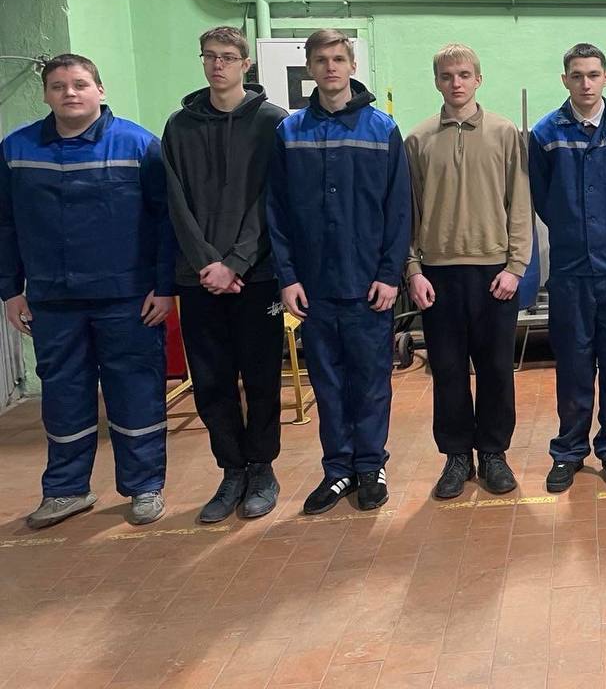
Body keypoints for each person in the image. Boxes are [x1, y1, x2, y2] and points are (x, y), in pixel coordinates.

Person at [0, 54, 175, 528]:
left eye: (79, 84)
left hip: (128, 298)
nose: (70, 93)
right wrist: (10, 290)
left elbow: (166, 222)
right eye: (58, 86)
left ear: (100, 89)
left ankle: (144, 486)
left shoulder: (138, 145)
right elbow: (6, 224)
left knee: (135, 390)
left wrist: (164, 287)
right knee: (63, 395)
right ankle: (66, 490)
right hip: (53, 301)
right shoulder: (17, 149)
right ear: (45, 95)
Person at [266, 29, 410, 514]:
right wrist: (288, 277)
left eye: (338, 59)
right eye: (321, 60)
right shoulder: (289, 132)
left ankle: (370, 466)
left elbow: (399, 209)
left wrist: (389, 274)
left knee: (371, 380)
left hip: (369, 284)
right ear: (309, 68)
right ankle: (338, 471)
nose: (330, 67)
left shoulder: (382, 129)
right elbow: (276, 211)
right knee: (326, 382)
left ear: (352, 65)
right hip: (314, 286)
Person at [162, 26, 288, 523]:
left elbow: (272, 200)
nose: (218, 65)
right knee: (211, 381)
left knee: (261, 378)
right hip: (199, 279)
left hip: (256, 277)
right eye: (210, 56)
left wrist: (235, 262)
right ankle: (231, 470)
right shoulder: (179, 126)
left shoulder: (272, 122)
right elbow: (175, 202)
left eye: (228, 57)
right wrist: (205, 263)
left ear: (245, 64)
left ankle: (262, 469)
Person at [405, 44, 533, 500]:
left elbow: (520, 204)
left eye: (463, 74)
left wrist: (516, 266)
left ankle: (494, 453)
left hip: (495, 273)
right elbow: (408, 212)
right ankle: (457, 455)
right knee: (447, 371)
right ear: (436, 82)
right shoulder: (417, 140)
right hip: (437, 276)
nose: (455, 83)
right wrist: (413, 269)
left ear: (478, 79)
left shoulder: (505, 133)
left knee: (496, 369)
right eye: (446, 76)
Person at [529, 44, 606, 493]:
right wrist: (572, 227)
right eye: (576, 76)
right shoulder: (545, 134)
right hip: (570, 271)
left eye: (593, 75)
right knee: (573, 364)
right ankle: (569, 451)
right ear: (565, 80)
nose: (585, 83)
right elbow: (542, 196)